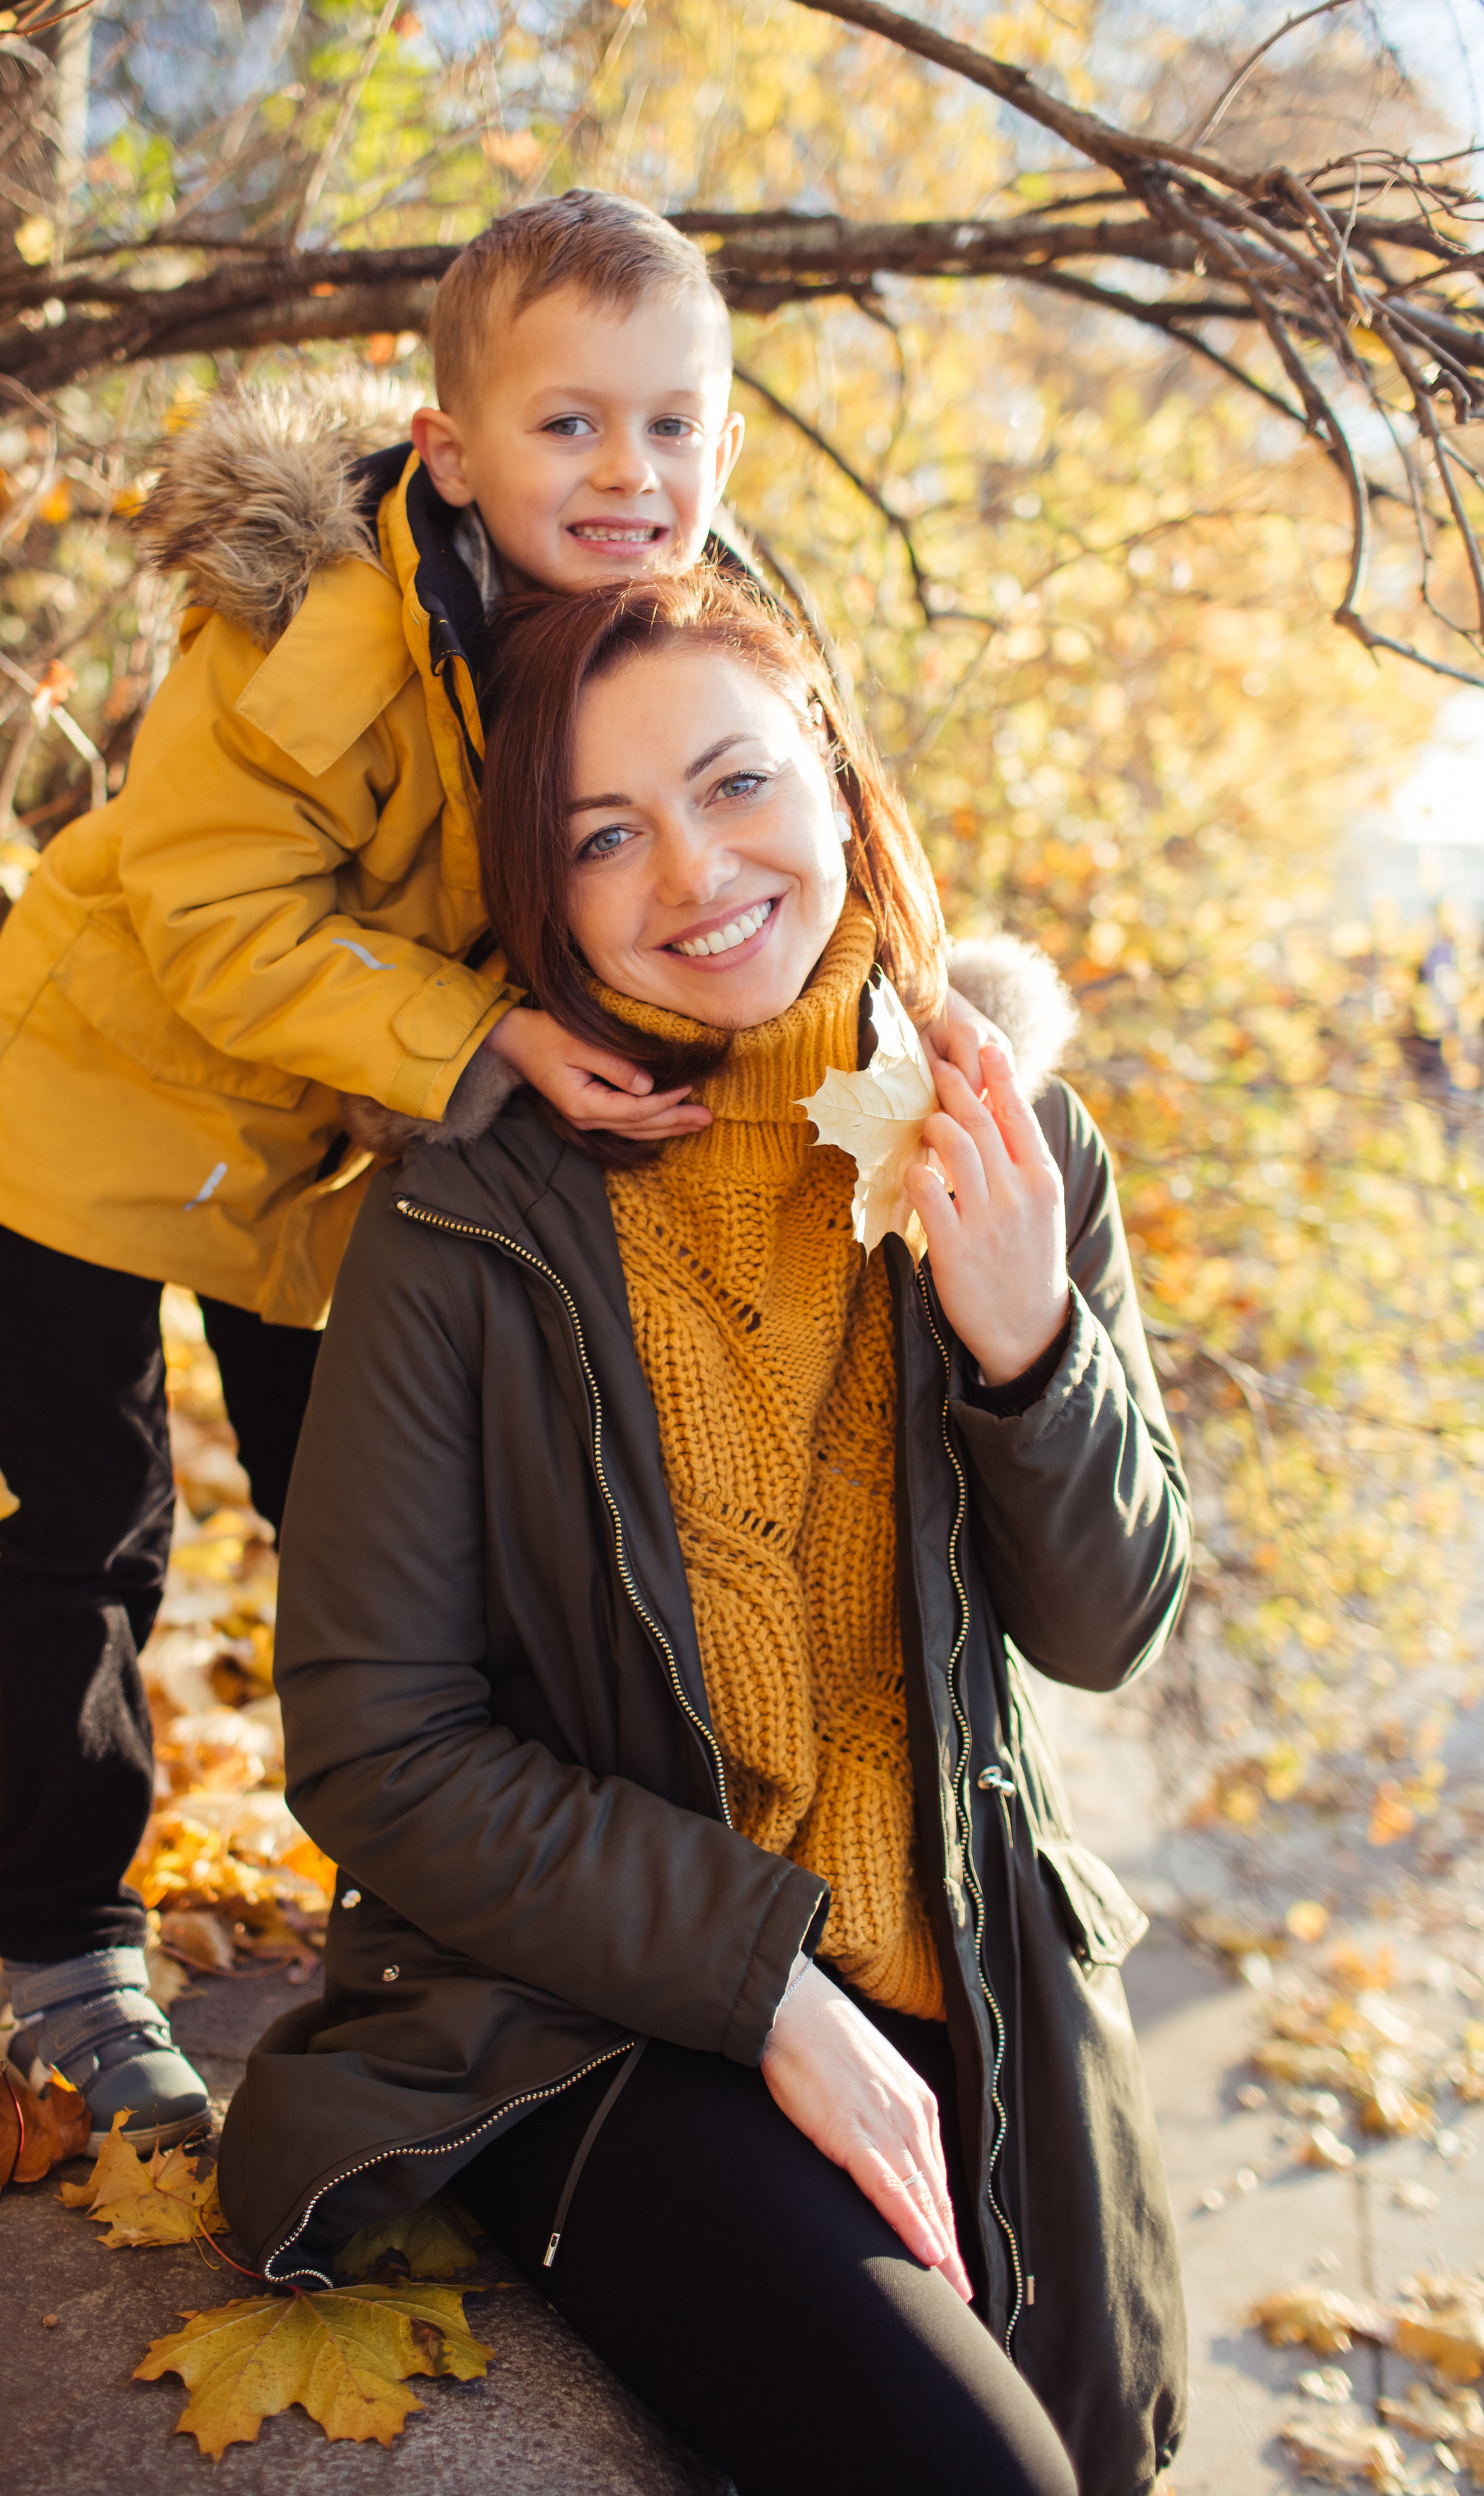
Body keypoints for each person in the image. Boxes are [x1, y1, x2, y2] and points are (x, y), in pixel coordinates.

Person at [0, 192, 998, 2146]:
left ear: (726, 444)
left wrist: (963, 1035)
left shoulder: (659, 627)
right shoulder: (339, 629)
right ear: (451, 449)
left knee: (347, 1518)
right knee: (90, 1525)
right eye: (570, 426)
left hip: (321, 1157)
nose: (627, 473)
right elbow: (205, 914)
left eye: (672, 426)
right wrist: (485, 1038)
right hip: (107, 1107)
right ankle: (68, 1947)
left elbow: (793, 861)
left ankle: (424, 1892)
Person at [218, 570, 1192, 2496]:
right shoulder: (466, 1225)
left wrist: (1026, 1343)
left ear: (833, 772)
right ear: (541, 889)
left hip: (973, 1978)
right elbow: (374, 1742)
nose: (693, 873)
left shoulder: (1013, 1142)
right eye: (604, 835)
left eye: (738, 784)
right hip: (585, 2020)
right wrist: (761, 1980)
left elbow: (1106, 1632)